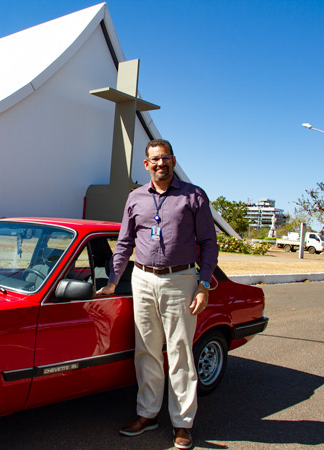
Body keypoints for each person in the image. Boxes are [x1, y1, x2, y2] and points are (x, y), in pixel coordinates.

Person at [97, 139, 218, 450]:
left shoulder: (194, 196)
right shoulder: (135, 198)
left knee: (180, 353)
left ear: (173, 161)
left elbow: (208, 243)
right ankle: (148, 414)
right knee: (146, 350)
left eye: (165, 158)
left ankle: (182, 423)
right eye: (155, 159)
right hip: (143, 279)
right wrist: (113, 281)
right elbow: (124, 243)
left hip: (180, 281)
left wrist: (203, 285)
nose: (160, 163)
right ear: (146, 164)